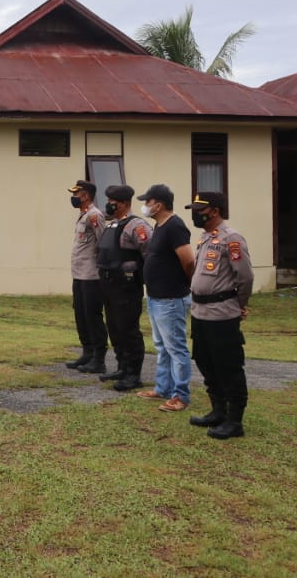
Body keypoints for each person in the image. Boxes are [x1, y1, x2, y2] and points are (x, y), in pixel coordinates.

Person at [184, 192, 253, 439]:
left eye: (198, 209)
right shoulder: (205, 238)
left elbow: (244, 277)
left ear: (214, 211)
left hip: (222, 313)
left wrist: (240, 304)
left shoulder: (231, 239)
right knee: (205, 361)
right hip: (201, 311)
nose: (194, 213)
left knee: (228, 366)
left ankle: (234, 421)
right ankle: (218, 410)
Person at [136, 184, 195, 412]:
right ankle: (163, 387)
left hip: (171, 298)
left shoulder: (175, 226)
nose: (145, 206)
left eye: (148, 202)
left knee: (176, 348)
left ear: (158, 205)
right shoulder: (159, 226)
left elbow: (188, 261)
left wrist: (185, 283)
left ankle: (181, 395)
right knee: (162, 346)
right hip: (155, 297)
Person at [95, 184, 152, 391]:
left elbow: (149, 254)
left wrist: (141, 277)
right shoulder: (112, 225)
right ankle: (122, 367)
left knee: (128, 330)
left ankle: (133, 374)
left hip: (126, 286)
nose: (109, 205)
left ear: (125, 203)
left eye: (113, 202)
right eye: (108, 201)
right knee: (114, 328)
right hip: (109, 283)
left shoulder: (137, 226)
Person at [66, 180, 108, 373]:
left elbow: (103, 243)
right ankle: (87, 352)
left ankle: (99, 358)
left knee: (92, 315)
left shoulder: (94, 216)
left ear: (86, 196)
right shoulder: (83, 216)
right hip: (79, 274)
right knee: (80, 315)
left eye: (77, 194)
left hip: (92, 275)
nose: (74, 197)